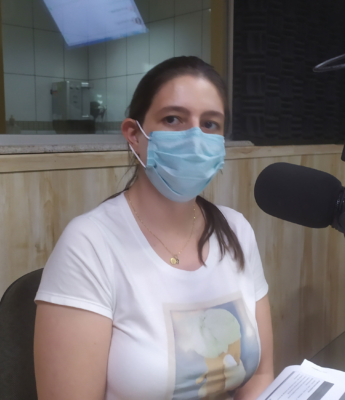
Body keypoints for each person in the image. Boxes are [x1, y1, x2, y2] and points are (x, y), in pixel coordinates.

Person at [34, 56, 274, 400]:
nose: (195, 138)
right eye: (173, 119)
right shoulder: (89, 245)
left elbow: (260, 375)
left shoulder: (236, 232)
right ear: (134, 135)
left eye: (210, 124)